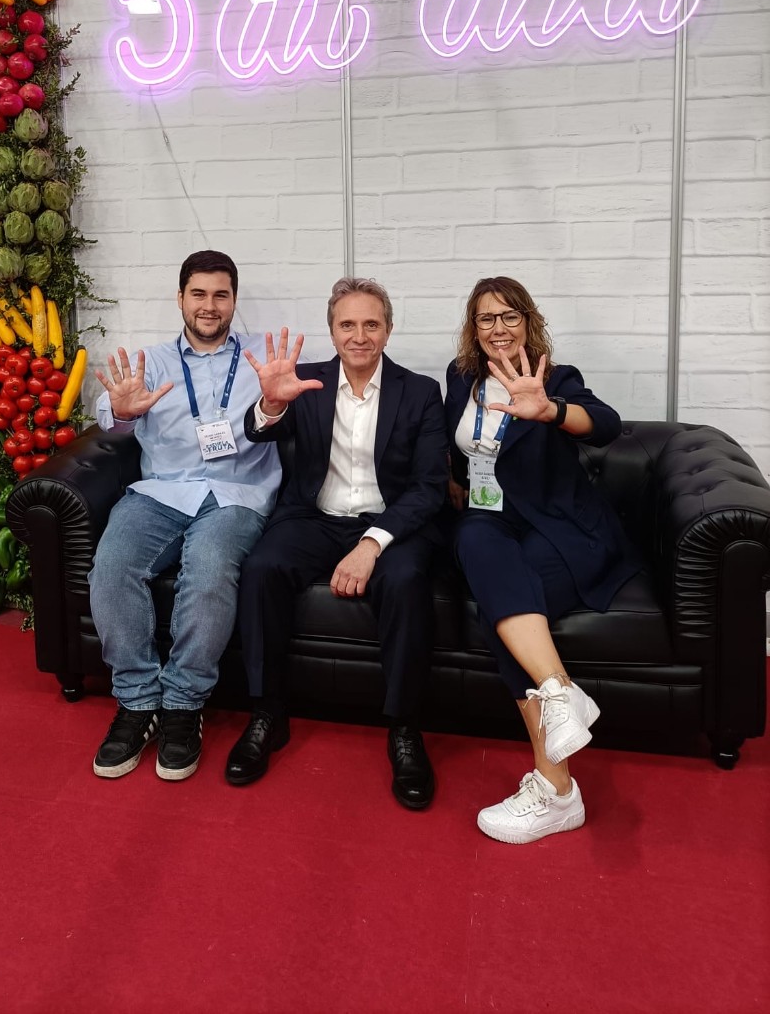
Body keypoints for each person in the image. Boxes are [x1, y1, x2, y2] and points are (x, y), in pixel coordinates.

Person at [225, 277, 449, 810]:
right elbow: (259, 433)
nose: (359, 335)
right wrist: (271, 404)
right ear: (332, 331)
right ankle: (267, 712)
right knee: (262, 568)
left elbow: (429, 487)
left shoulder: (420, 392)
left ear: (388, 330)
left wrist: (372, 543)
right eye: (348, 324)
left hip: (390, 523)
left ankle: (404, 727)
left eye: (371, 324)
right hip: (314, 517)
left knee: (407, 579)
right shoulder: (306, 381)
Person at [445, 275, 639, 844]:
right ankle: (560, 695)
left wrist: (550, 409)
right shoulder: (460, 378)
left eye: (510, 316)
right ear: (473, 328)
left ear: (528, 322)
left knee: (501, 611)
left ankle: (557, 790)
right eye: (486, 318)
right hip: (493, 519)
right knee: (472, 537)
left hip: (560, 527)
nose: (498, 328)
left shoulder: (556, 377)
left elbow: (606, 425)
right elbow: (460, 455)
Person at [89, 250, 281, 783]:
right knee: (112, 565)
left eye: (221, 294)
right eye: (198, 293)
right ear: (180, 298)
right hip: (161, 492)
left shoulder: (262, 358)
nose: (209, 305)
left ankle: (182, 704)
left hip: (237, 494)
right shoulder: (150, 362)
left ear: (234, 301)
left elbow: (282, 409)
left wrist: (276, 404)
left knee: (210, 568)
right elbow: (110, 416)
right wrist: (121, 411)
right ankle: (137, 702)